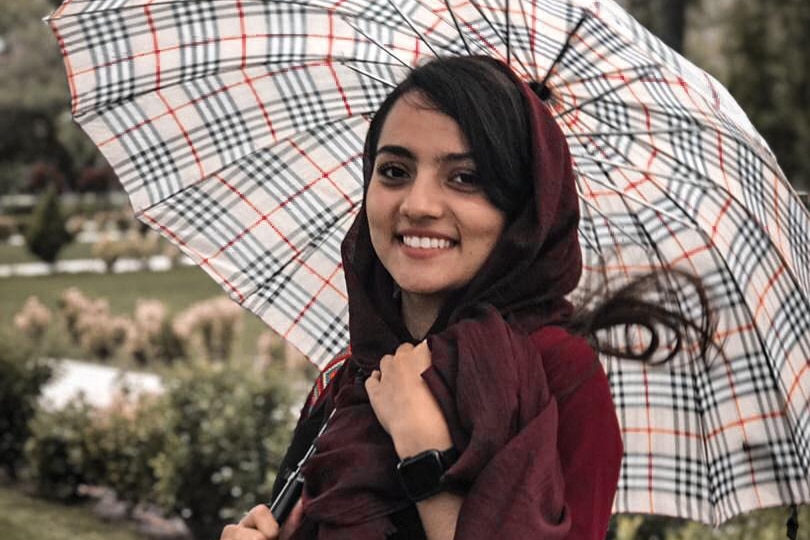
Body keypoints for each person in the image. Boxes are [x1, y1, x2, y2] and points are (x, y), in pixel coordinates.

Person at [220, 55, 710, 540]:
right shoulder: (354, 376)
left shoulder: (560, 376)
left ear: (524, 210)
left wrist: (425, 458)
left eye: (465, 178)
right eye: (394, 171)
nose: (417, 205)